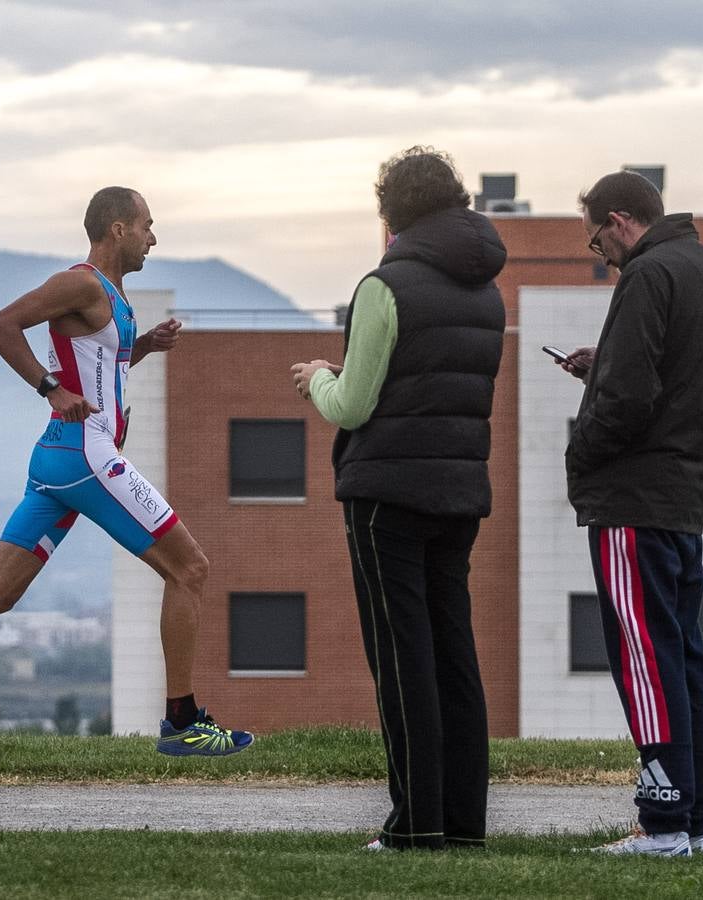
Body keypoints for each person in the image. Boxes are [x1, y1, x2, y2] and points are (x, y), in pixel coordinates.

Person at [0, 186, 252, 756]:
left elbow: (103, 360)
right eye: (147, 226)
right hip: (86, 455)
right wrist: (49, 387)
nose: (154, 237)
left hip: (60, 460)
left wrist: (148, 346)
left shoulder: (114, 297)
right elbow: (1, 325)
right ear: (117, 229)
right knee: (190, 569)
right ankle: (183, 724)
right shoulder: (81, 282)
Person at [291, 146, 505, 850]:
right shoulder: (486, 289)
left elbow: (353, 404)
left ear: (394, 214)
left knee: (401, 657)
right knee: (454, 654)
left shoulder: (386, 286)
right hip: (459, 490)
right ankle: (465, 821)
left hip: (387, 494)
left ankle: (415, 825)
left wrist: (320, 376)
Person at [560, 171, 703, 857]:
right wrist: (602, 366)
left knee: (643, 655)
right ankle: (691, 822)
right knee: (682, 656)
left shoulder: (646, 275)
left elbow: (632, 398)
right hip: (684, 493)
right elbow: (702, 386)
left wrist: (583, 450)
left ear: (619, 219)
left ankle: (661, 821)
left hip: (632, 495)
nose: (598, 254)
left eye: (596, 240)